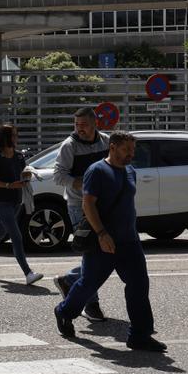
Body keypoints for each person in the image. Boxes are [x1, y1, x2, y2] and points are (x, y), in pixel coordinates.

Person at [54, 131, 165, 352]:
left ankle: (140, 335)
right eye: (126, 150)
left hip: (129, 241)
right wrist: (102, 233)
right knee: (89, 284)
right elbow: (88, 205)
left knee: (139, 285)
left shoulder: (130, 171)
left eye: (133, 150)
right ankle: (64, 311)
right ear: (112, 147)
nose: (130, 155)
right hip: (102, 241)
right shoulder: (97, 171)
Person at [52, 107, 110, 323]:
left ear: (95, 123)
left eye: (84, 125)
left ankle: (70, 279)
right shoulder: (69, 146)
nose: (80, 129)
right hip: (79, 205)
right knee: (91, 251)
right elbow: (59, 175)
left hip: (104, 205)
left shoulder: (106, 142)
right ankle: (91, 303)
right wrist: (81, 183)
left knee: (107, 253)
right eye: (76, 125)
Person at [0, 124, 43, 285]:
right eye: (13, 135)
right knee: (16, 236)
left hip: (16, 201)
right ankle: (28, 273)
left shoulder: (19, 156)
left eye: (16, 135)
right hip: (1, 202)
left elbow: (23, 172)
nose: (16, 138)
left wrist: (29, 175)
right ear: (5, 138)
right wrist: (9, 185)